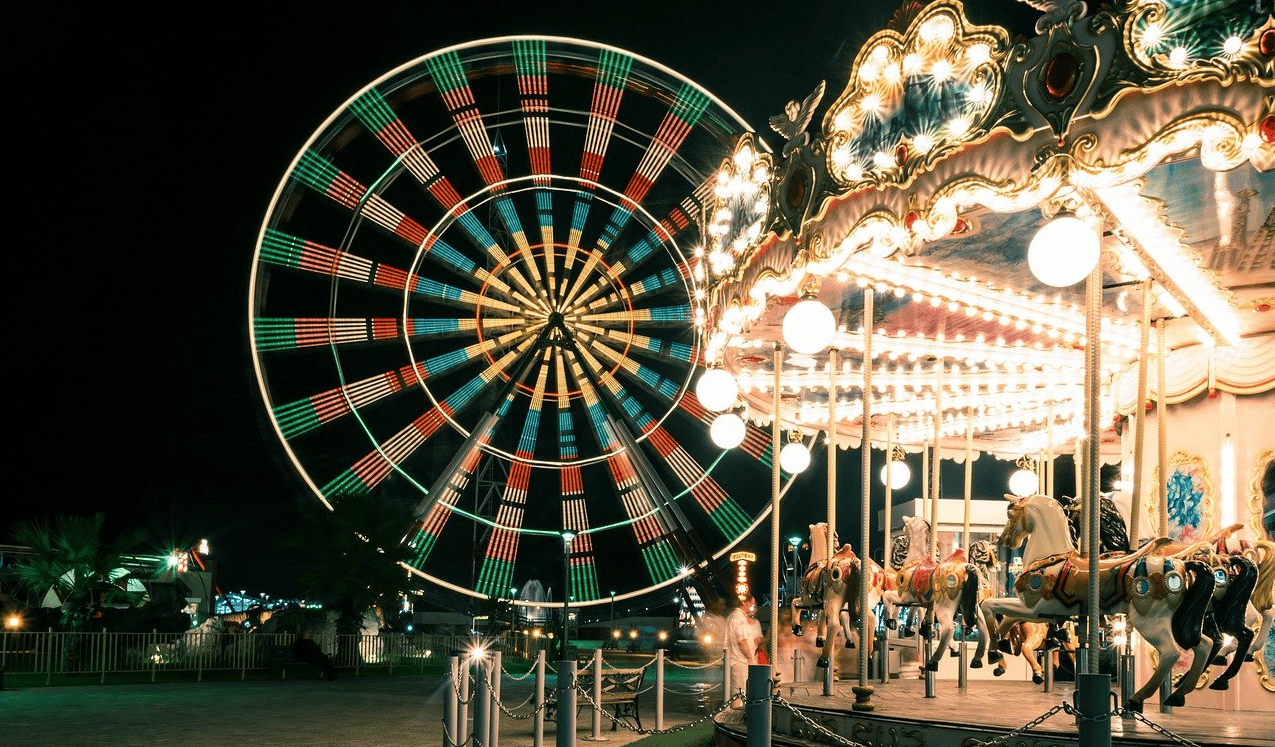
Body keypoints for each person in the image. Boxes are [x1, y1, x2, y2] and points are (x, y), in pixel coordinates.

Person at [725, 596, 763, 709]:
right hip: (740, 661)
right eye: (751, 603)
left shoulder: (735, 616)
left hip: (738, 660)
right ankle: (737, 715)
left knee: (740, 691)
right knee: (739, 692)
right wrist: (750, 659)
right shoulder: (739, 618)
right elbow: (742, 641)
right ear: (744, 603)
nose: (753, 607)